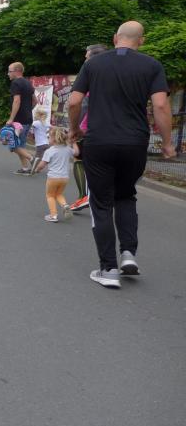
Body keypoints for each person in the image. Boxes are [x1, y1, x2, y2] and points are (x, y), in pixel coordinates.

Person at [68, 21, 174, 289]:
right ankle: (128, 253)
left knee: (101, 203)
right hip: (134, 142)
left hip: (99, 142)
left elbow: (74, 101)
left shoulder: (93, 64)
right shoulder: (152, 66)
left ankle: (108, 269)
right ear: (142, 40)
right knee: (126, 196)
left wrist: (73, 130)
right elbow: (161, 105)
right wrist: (167, 143)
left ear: (115, 38)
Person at [71, 43, 108, 212]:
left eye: (86, 57)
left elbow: (80, 103)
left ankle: (84, 196)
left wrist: (75, 128)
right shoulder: (114, 72)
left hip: (89, 127)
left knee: (80, 159)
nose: (84, 60)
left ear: (93, 58)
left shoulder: (90, 74)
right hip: (115, 128)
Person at [33, 126, 77, 222]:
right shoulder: (67, 149)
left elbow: (42, 164)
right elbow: (77, 153)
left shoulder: (49, 151)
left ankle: (53, 215)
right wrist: (73, 143)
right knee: (59, 194)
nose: (48, 139)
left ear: (54, 139)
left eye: (49, 137)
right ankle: (65, 205)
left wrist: (36, 170)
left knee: (50, 195)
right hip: (64, 178)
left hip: (53, 178)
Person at [6, 61, 35, 174]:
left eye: (10, 71)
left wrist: (11, 119)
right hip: (28, 118)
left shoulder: (16, 83)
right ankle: (25, 168)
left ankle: (32, 159)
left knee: (13, 144)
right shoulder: (28, 83)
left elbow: (16, 101)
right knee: (21, 144)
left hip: (19, 120)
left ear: (17, 71)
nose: (8, 73)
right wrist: (27, 110)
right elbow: (35, 101)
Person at [29, 108, 50, 174]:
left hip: (40, 144)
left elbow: (31, 129)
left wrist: (31, 132)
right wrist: (47, 132)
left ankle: (33, 170)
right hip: (47, 143)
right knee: (45, 158)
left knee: (36, 158)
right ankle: (39, 169)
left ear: (36, 115)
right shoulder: (45, 123)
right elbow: (52, 128)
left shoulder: (36, 123)